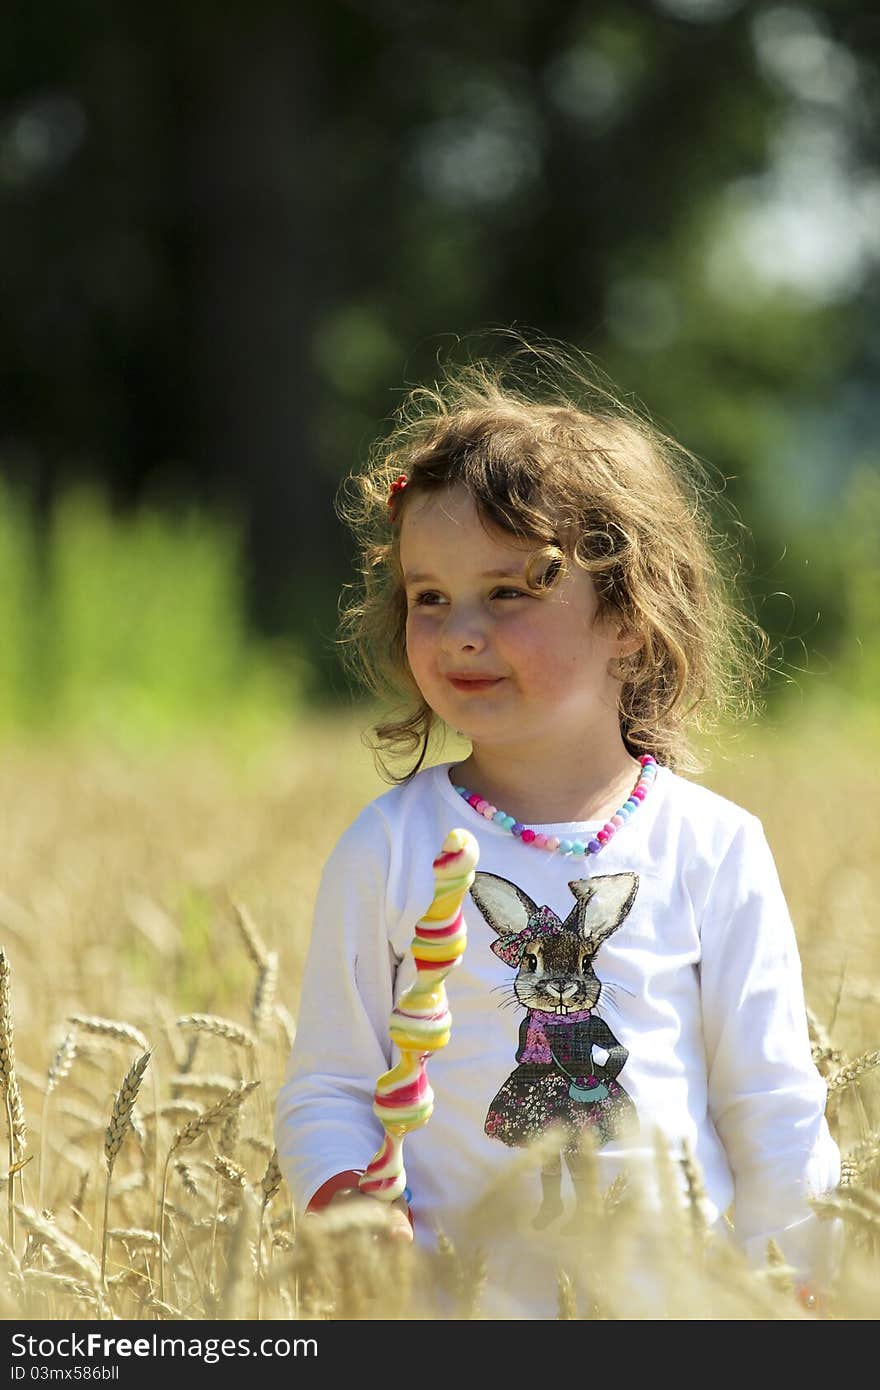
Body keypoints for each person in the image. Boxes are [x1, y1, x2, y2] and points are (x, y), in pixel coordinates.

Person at [274, 339, 840, 1318]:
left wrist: (792, 1282)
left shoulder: (709, 844)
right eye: (429, 597)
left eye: (508, 591)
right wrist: (350, 1213)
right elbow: (328, 1085)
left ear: (628, 613)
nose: (460, 632)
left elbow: (770, 1104)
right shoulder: (392, 844)